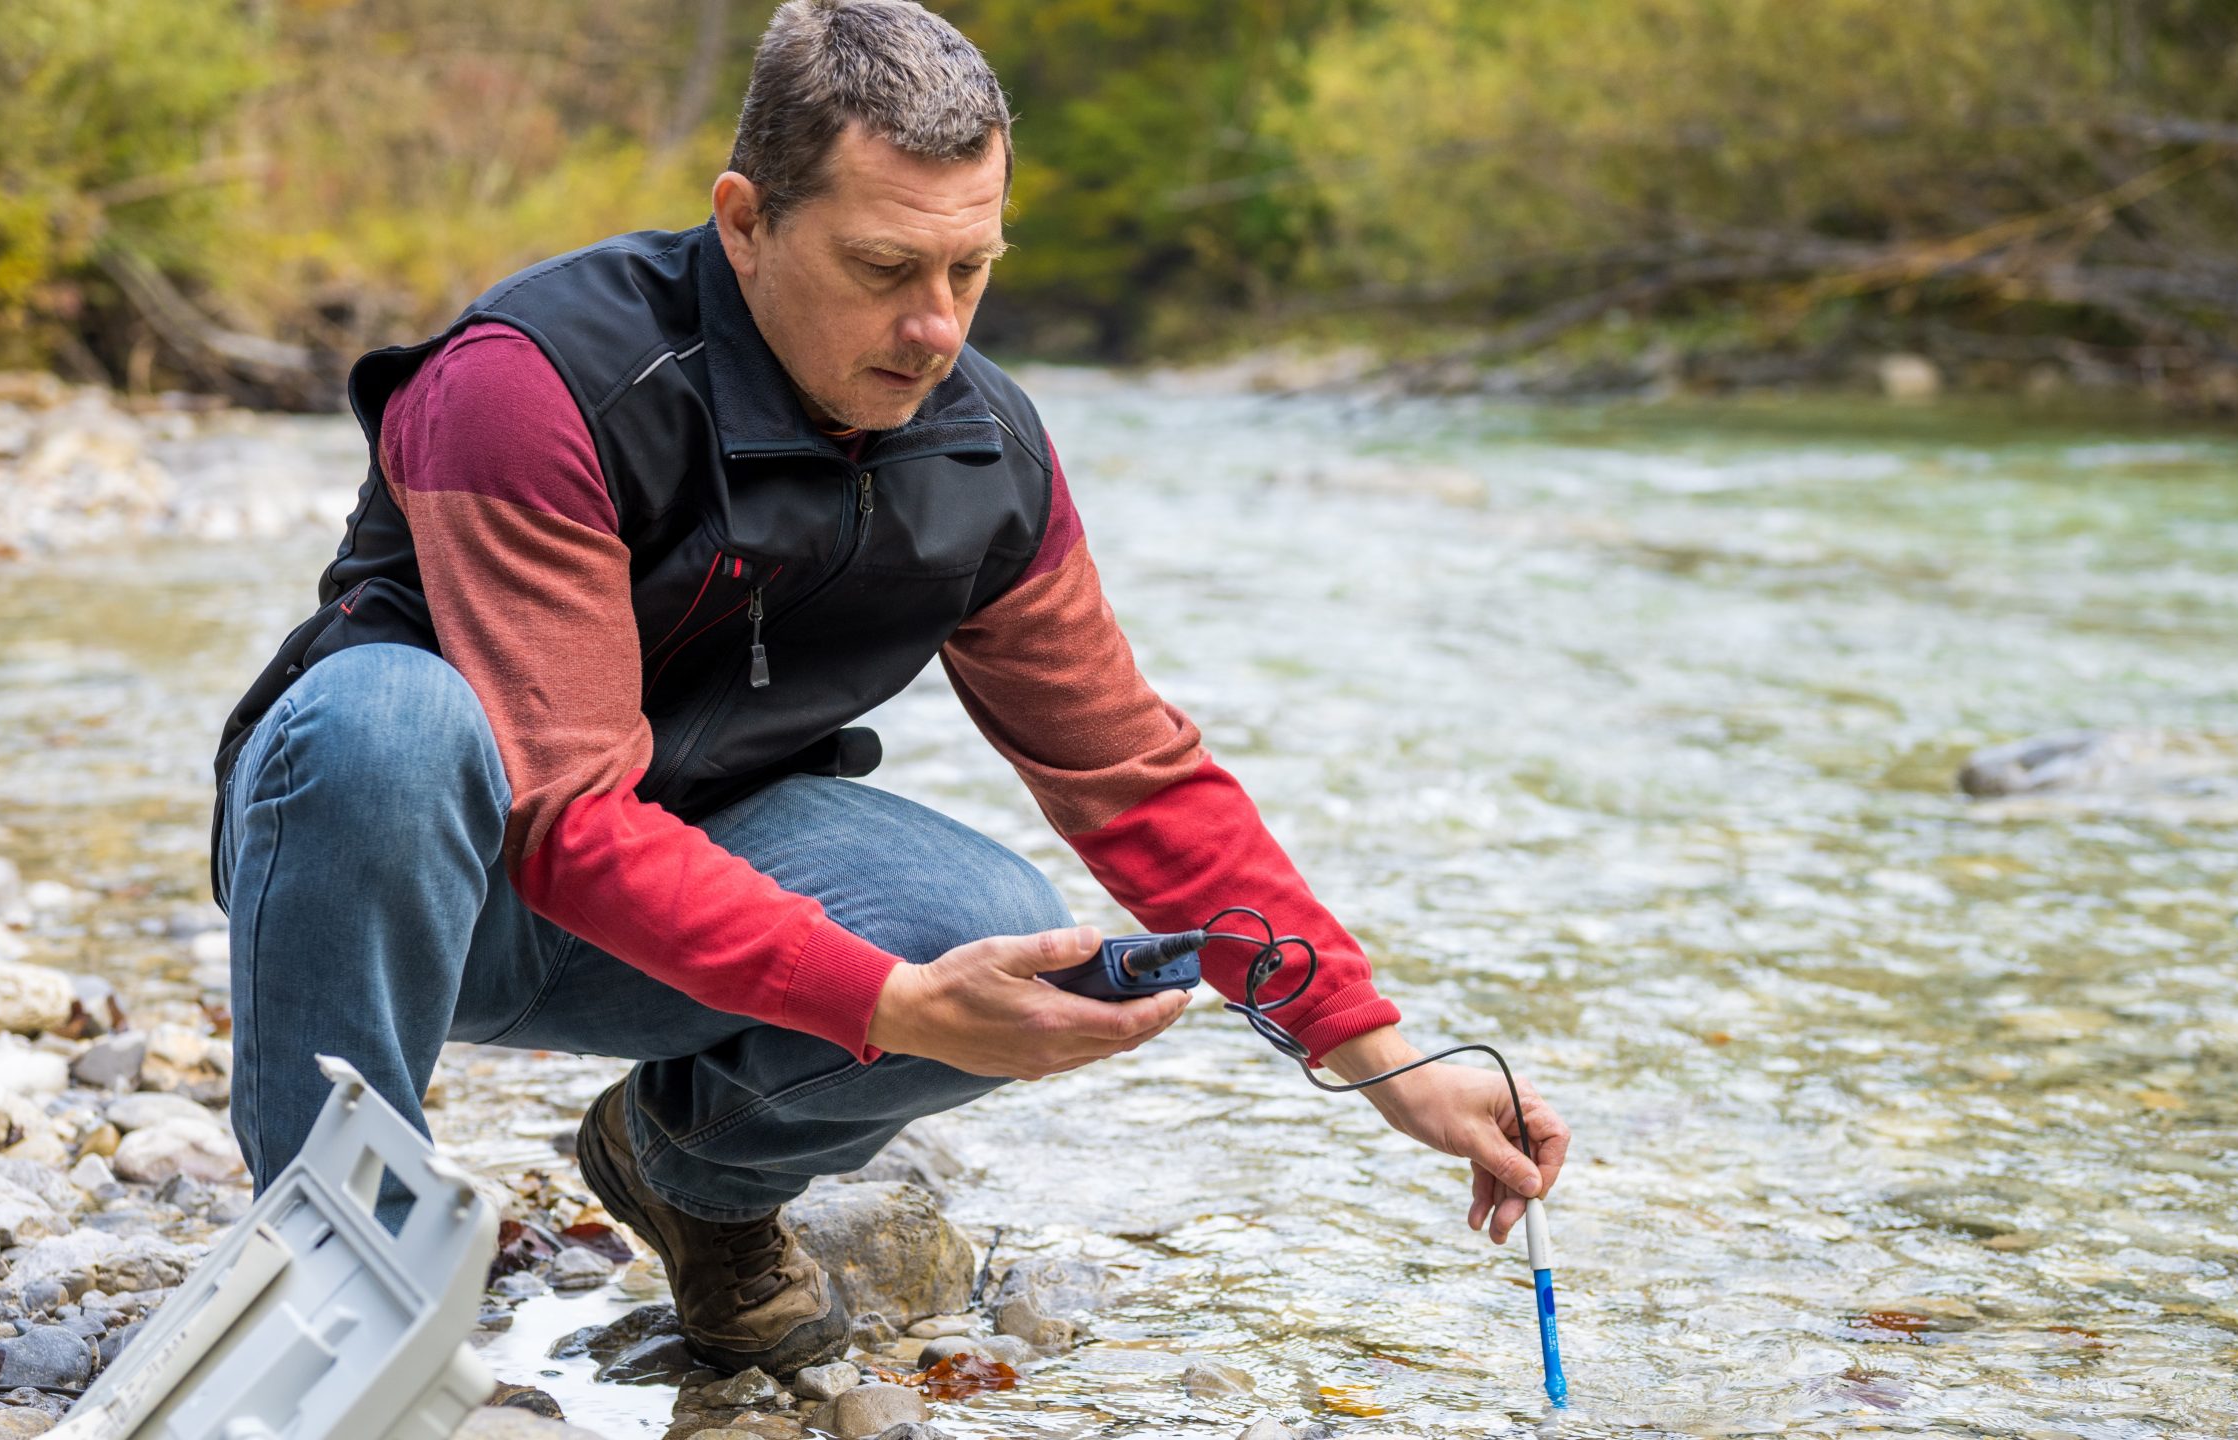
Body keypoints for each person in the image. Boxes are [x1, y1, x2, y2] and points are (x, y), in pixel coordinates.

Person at [212, 0, 1571, 1380]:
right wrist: (884, 1003)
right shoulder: (531, 385)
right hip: (404, 884)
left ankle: (691, 1176)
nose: (933, 328)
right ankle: (335, 1270)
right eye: (883, 268)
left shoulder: (985, 454)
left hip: (676, 891)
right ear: (744, 220)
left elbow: (1138, 781)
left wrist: (1380, 1054)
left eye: (971, 270)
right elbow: (562, 818)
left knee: (999, 933)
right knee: (385, 720)